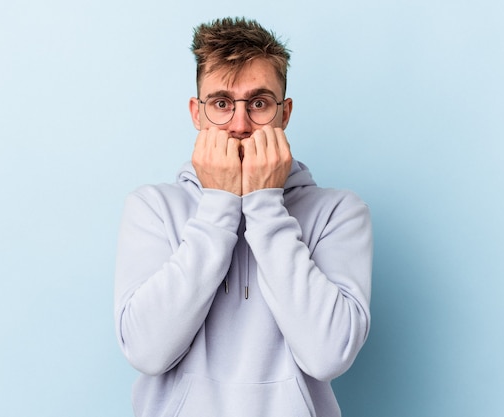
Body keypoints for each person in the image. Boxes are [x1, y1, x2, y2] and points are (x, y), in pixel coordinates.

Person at [114, 17, 372, 417]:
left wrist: (264, 203)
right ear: (196, 114)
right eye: (220, 103)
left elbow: (327, 355)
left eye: (258, 103)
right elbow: (147, 352)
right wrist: (218, 203)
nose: (239, 124)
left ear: (283, 113)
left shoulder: (338, 212)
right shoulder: (152, 208)